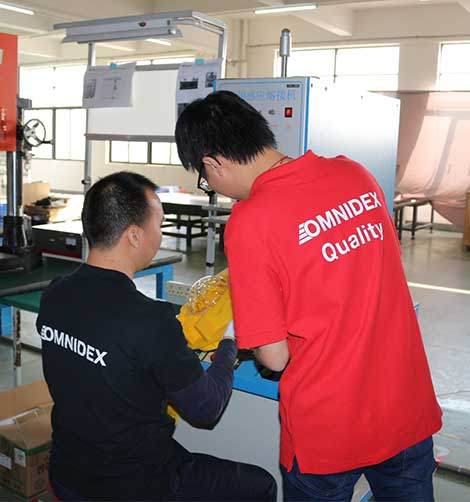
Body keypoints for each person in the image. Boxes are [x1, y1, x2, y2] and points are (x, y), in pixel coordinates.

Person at [175, 91, 443, 501]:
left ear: (213, 163)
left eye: (204, 178)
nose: (212, 187)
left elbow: (274, 357)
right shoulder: (355, 173)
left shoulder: (250, 221)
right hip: (404, 405)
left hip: (328, 427)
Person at [36, 171, 276, 501]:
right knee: (262, 485)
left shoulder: (55, 294)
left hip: (69, 470)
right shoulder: (149, 320)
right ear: (135, 236)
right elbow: (206, 407)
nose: (160, 235)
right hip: (134, 483)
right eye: (159, 225)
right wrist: (229, 342)